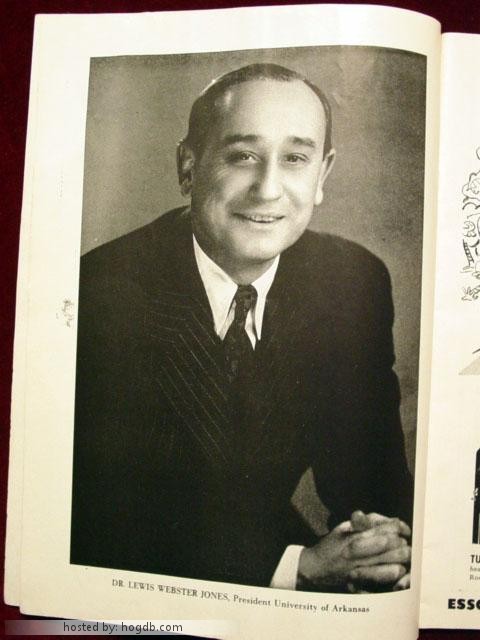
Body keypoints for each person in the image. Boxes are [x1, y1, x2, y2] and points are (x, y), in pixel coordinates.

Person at [71, 63, 413, 592]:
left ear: (322, 176)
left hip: (277, 553)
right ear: (188, 167)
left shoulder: (351, 281)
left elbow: (370, 475)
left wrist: (378, 543)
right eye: (243, 156)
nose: (268, 189)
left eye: (295, 159)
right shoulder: (101, 295)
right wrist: (299, 567)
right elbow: (102, 518)